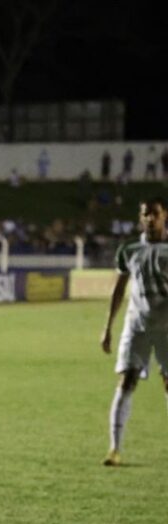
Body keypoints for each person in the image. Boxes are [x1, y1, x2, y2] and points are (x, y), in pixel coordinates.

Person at [100, 198, 168, 466]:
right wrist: (107, 328)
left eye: (155, 214)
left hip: (167, 327)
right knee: (127, 382)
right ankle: (114, 449)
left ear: (164, 217)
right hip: (137, 325)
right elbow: (119, 289)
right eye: (146, 214)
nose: (150, 219)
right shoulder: (128, 249)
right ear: (141, 218)